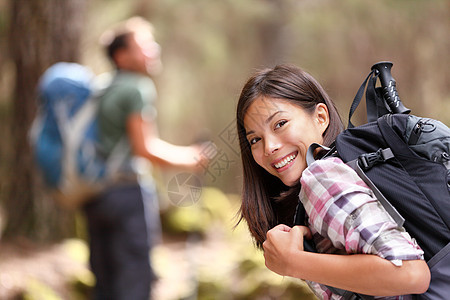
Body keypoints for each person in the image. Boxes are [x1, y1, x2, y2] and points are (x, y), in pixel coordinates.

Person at [235, 64, 430, 299]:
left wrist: (293, 262)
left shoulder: (322, 177)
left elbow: (411, 274)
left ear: (321, 117)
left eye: (280, 124)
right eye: (255, 139)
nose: (269, 147)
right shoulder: (332, 175)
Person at [83, 17, 207, 300]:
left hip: (95, 194)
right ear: (121, 55)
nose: (153, 50)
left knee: (104, 281)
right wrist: (189, 159)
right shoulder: (137, 87)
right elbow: (145, 148)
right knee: (135, 280)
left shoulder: (103, 88)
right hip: (127, 194)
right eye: (144, 46)